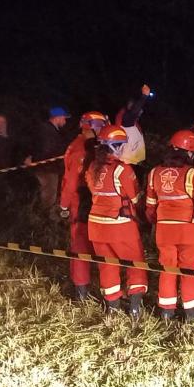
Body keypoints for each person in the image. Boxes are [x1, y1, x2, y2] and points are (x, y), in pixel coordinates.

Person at [145, 130, 194, 322]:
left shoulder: (154, 173)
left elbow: (150, 208)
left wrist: (159, 223)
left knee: (167, 268)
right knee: (191, 271)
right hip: (190, 232)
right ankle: (191, 314)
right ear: (190, 153)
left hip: (164, 231)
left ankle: (166, 311)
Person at [85, 124, 149, 316]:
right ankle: (135, 307)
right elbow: (135, 198)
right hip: (121, 226)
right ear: (116, 146)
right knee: (135, 262)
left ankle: (112, 308)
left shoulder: (92, 167)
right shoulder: (122, 169)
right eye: (122, 145)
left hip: (96, 226)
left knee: (107, 265)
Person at [59, 111, 109, 302]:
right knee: (82, 246)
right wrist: (65, 204)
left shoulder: (86, 145)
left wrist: (63, 204)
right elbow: (71, 181)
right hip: (82, 199)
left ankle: (87, 288)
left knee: (85, 245)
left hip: (89, 199)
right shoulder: (81, 149)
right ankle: (82, 291)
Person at [29, 106, 71, 215]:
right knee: (48, 196)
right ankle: (43, 220)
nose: (65, 121)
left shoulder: (49, 129)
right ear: (57, 118)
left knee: (47, 194)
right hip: (47, 169)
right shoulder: (48, 131)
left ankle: (42, 217)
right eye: (64, 118)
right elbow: (48, 150)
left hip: (47, 168)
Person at [114, 84, 153, 167]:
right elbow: (134, 111)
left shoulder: (129, 121)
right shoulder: (127, 120)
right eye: (139, 110)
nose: (140, 112)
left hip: (131, 161)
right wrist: (144, 96)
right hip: (128, 162)